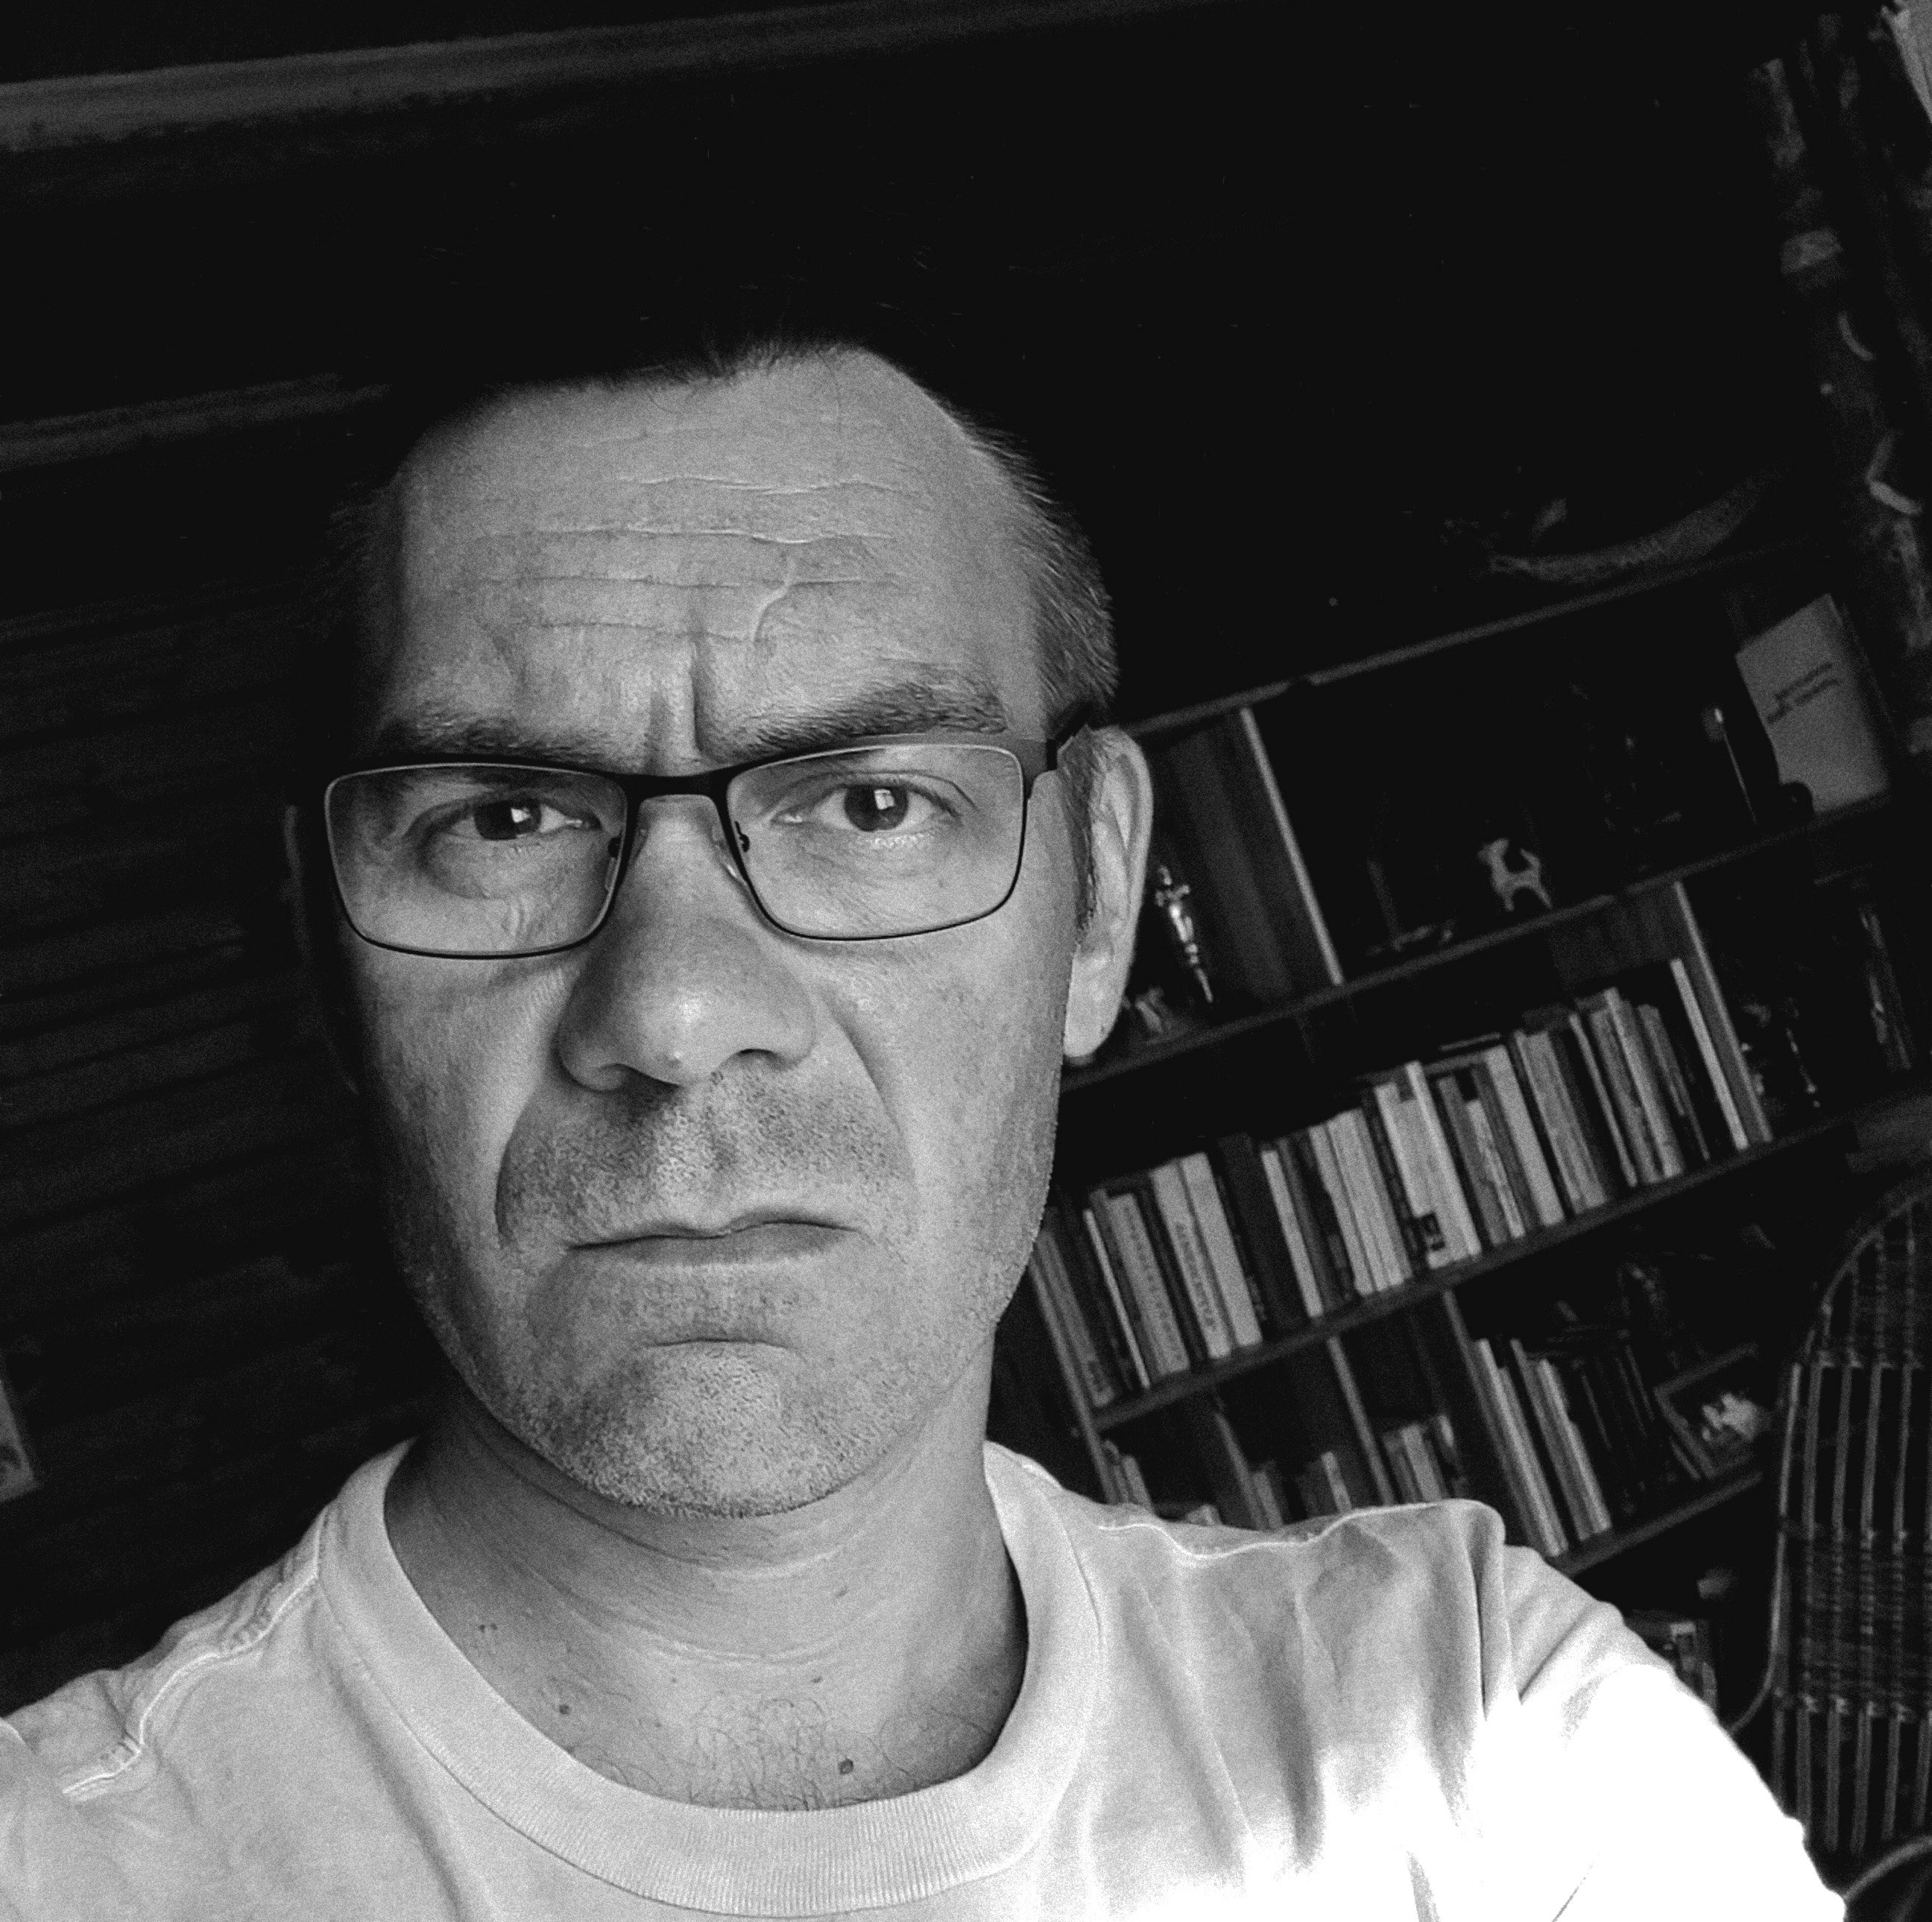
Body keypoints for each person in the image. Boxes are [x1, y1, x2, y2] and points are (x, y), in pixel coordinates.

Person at [0, 336, 1841, 1919]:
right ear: (327, 948)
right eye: (503, 821)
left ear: (1097, 898)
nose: (676, 1015)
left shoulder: (1482, 1741)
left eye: (871, 804)